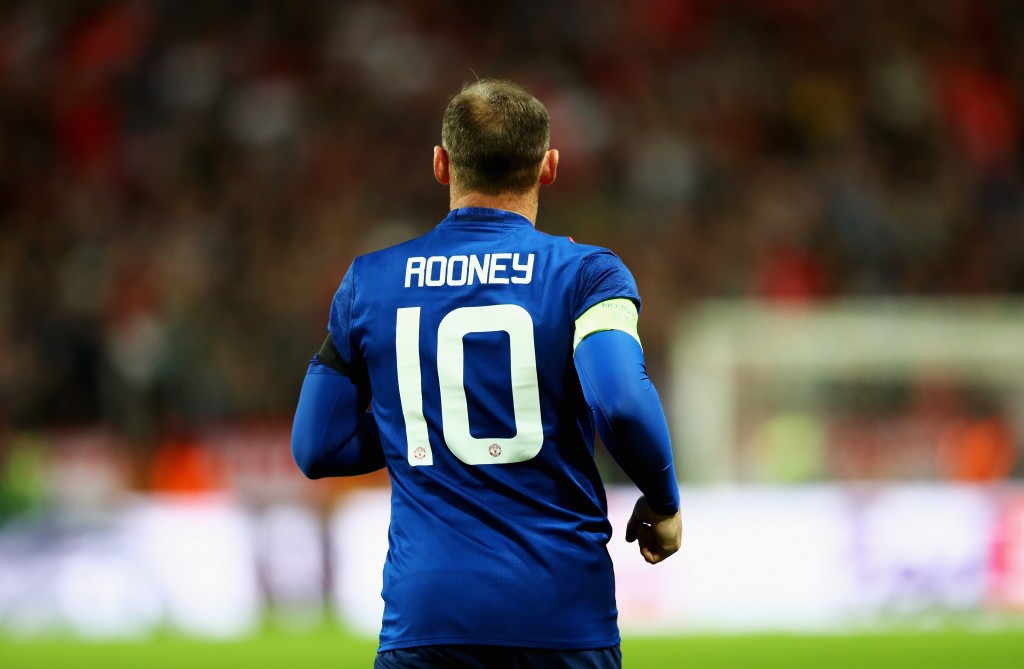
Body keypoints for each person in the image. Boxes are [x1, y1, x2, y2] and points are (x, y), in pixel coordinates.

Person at [291, 79, 682, 669]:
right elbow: (621, 402)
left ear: (441, 164)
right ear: (549, 166)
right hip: (561, 618)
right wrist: (663, 501)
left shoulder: (368, 283)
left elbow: (317, 446)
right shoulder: (589, 276)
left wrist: (421, 420)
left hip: (425, 622)